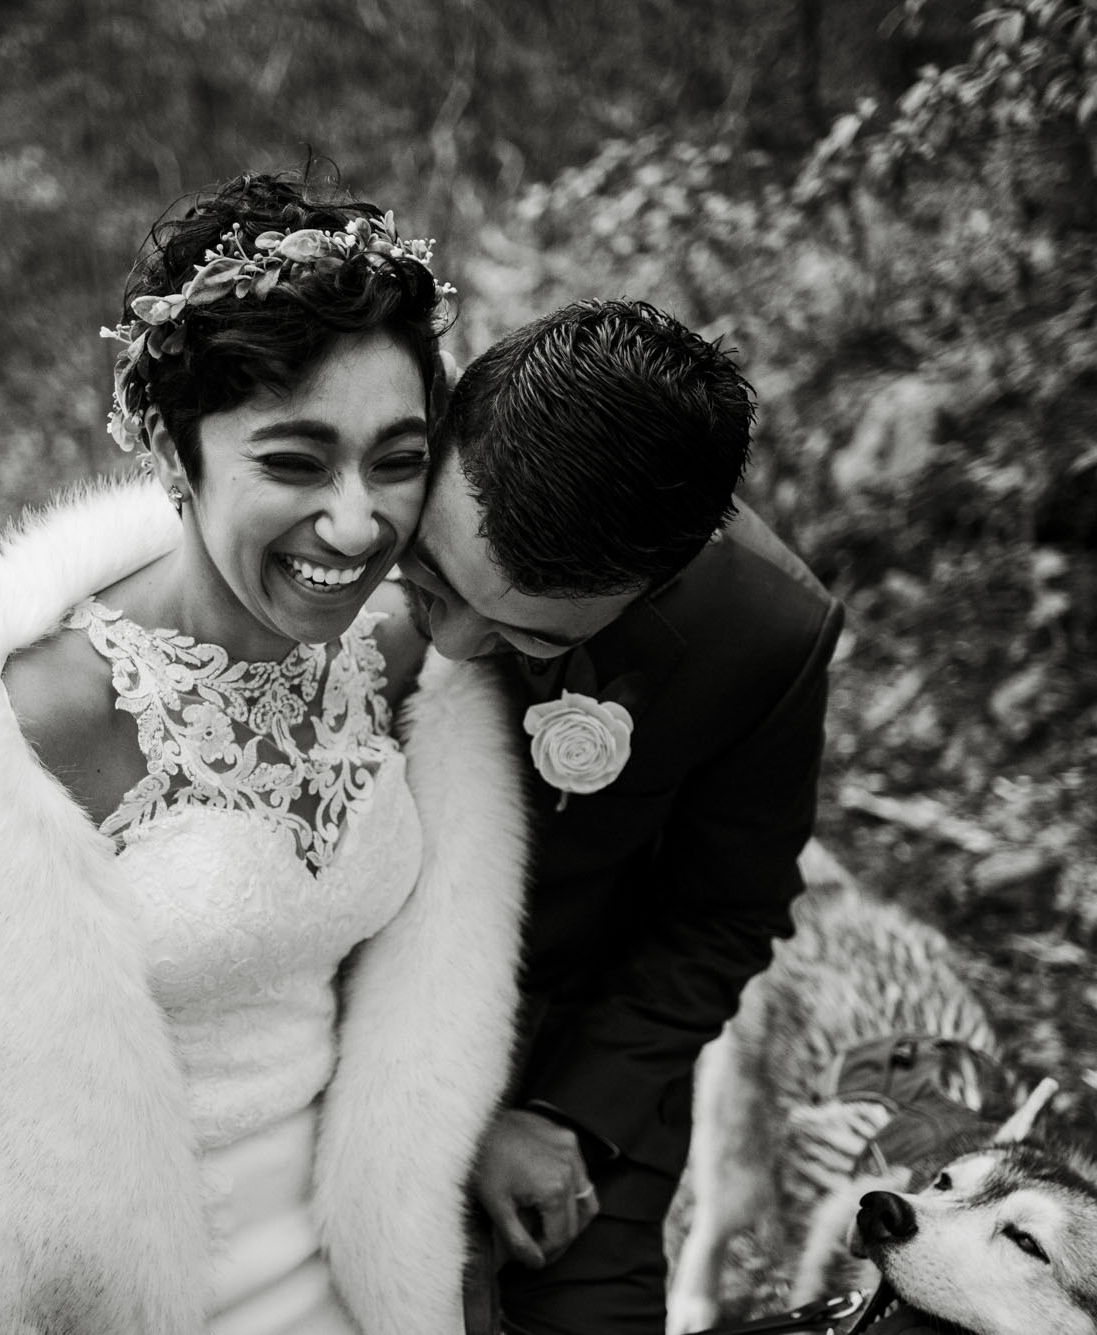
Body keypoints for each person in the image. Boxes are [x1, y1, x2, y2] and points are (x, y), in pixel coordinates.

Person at [0, 173, 530, 1335]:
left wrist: (488, 1123)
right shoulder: (27, 719)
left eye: (396, 457)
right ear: (173, 451)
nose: (358, 521)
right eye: (295, 461)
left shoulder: (410, 659)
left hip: (372, 1262)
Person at [399, 300, 847, 1335]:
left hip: (566, 1053)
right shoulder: (351, 501)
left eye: (524, 632)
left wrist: (563, 1114)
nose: (460, 644)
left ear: (662, 579)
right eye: (432, 580)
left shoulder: (760, 637)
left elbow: (719, 917)